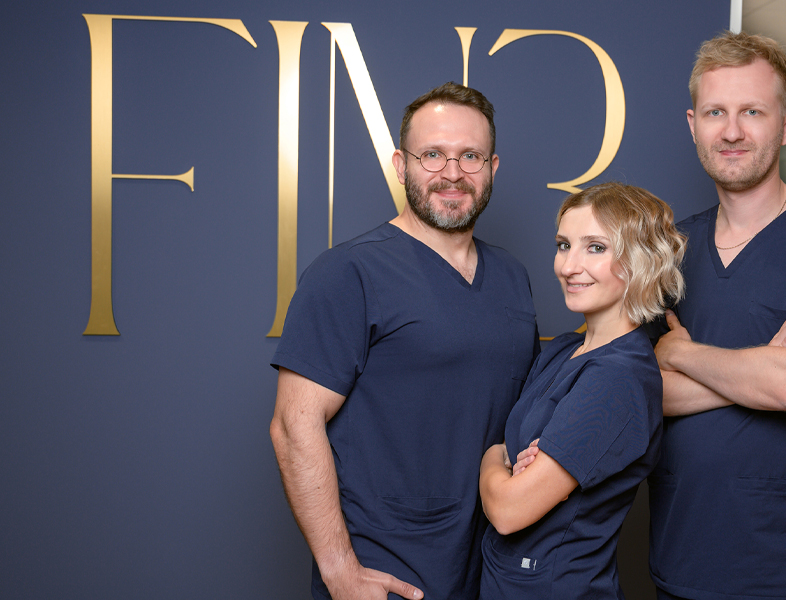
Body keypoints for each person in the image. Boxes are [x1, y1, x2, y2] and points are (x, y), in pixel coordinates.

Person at [269, 82, 539, 600]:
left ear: (492, 167)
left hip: (491, 571)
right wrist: (340, 570)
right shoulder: (348, 272)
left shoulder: (512, 276)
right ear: (401, 165)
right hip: (387, 574)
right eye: (432, 155)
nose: (452, 173)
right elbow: (292, 425)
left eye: (470, 156)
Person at [647, 32, 786, 600]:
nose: (731, 131)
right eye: (715, 112)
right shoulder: (669, 247)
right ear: (693, 124)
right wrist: (764, 366)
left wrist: (682, 354)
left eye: (752, 111)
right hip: (679, 553)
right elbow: (643, 392)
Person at [478, 181, 686, 599]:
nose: (568, 266)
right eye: (563, 245)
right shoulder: (565, 350)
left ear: (640, 261)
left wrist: (491, 462)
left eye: (595, 248)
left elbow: (507, 510)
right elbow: (506, 453)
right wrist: (505, 462)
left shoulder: (618, 378)